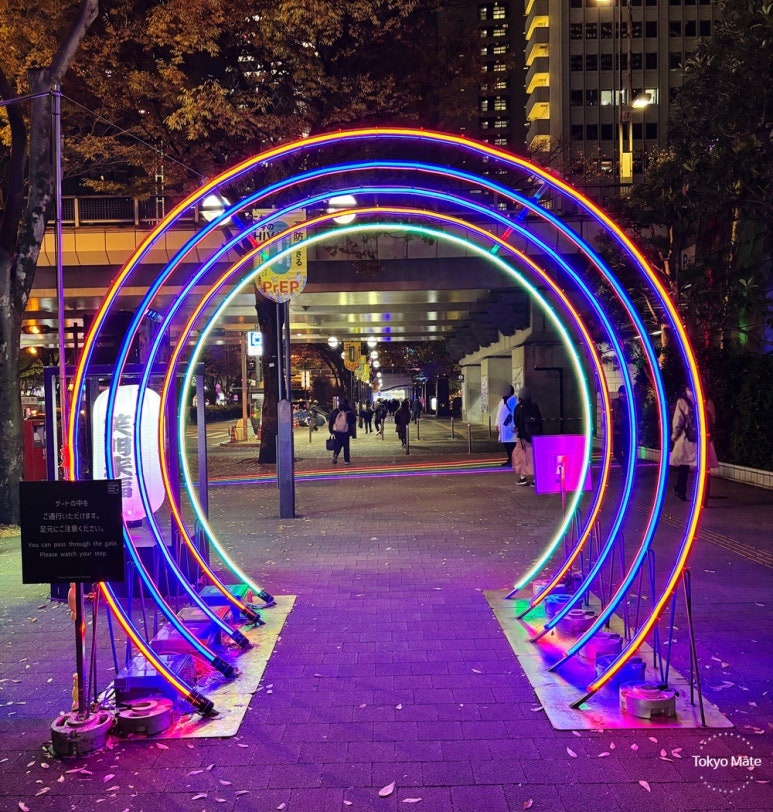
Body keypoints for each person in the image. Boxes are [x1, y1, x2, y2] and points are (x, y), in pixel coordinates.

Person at [669, 384, 719, 502]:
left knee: (684, 466)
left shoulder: (682, 401)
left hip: (687, 439)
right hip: (703, 440)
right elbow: (713, 420)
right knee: (704, 469)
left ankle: (681, 491)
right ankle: (704, 495)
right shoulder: (707, 400)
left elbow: (678, 421)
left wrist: (674, 436)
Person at [513, 387, 542, 486]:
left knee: (519, 457)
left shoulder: (518, 407)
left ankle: (523, 477)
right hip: (535, 437)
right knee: (533, 457)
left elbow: (516, 422)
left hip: (523, 437)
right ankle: (535, 479)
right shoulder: (535, 406)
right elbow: (539, 421)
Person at [328, 398, 355, 465]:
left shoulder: (335, 411)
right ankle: (347, 460)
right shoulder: (348, 411)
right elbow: (352, 421)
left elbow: (331, 421)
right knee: (346, 445)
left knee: (338, 443)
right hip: (346, 431)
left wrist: (331, 430)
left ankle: (335, 454)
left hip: (337, 431)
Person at [495, 385, 516, 467]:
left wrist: (514, 425)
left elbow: (514, 413)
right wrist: (497, 423)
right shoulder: (503, 400)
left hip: (510, 426)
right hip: (504, 427)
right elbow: (499, 412)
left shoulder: (513, 400)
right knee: (507, 444)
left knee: (511, 445)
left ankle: (512, 460)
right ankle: (510, 458)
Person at [611, 385, 631, 467]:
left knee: (626, 452)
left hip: (627, 431)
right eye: (622, 393)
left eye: (624, 394)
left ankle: (625, 470)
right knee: (616, 452)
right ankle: (625, 467)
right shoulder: (615, 402)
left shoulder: (629, 403)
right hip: (618, 431)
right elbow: (613, 415)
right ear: (619, 393)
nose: (623, 395)